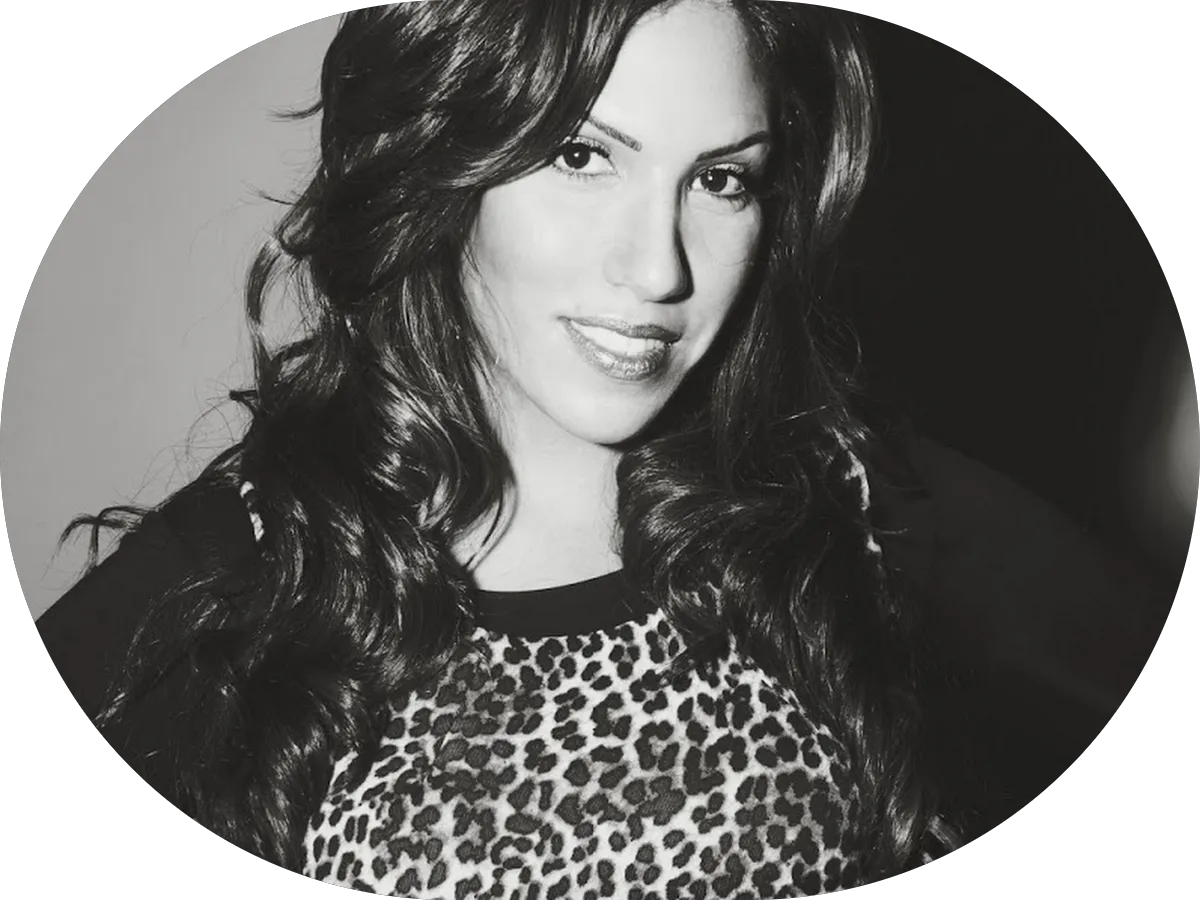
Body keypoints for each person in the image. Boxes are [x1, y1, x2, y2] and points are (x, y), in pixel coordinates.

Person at [31, 1, 1153, 895]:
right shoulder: (245, 573)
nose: (658, 268)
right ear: (446, 159)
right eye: (581, 156)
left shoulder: (840, 496)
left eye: (721, 180)